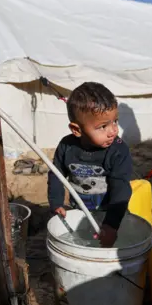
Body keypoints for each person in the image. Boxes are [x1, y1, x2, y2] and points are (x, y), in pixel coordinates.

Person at [47, 82, 133, 247]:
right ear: (77, 130)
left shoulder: (118, 150)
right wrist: (56, 203)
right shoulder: (67, 146)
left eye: (115, 121)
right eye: (103, 126)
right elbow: (56, 175)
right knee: (83, 243)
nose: (113, 130)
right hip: (79, 210)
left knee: (111, 247)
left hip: (111, 212)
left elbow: (121, 188)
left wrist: (111, 225)